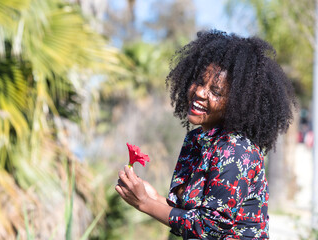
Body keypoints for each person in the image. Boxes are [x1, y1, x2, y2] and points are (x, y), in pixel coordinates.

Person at [115, 30, 296, 239]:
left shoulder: (236, 150)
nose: (200, 92)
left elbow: (209, 228)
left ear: (237, 102)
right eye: (200, 82)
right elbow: (190, 217)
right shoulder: (196, 141)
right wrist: (152, 197)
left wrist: (145, 204)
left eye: (216, 92)